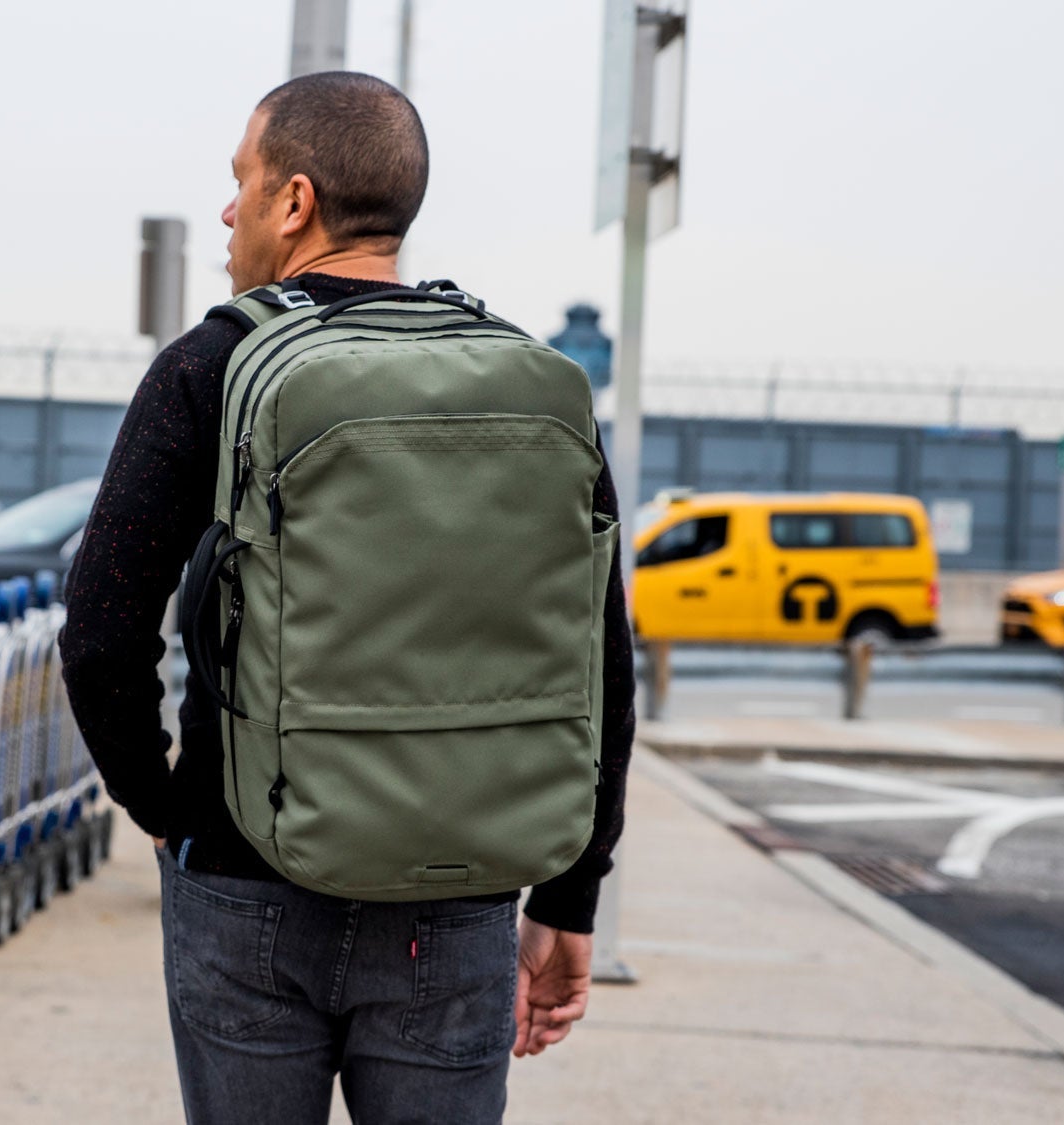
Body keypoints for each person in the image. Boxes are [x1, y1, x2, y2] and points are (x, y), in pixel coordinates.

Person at [60, 71, 635, 1124]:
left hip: (246, 883)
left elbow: (100, 634)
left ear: (296, 201)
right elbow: (596, 657)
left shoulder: (213, 364)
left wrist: (175, 816)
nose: (228, 210)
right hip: (458, 893)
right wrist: (569, 890)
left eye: (241, 181)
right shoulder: (523, 378)